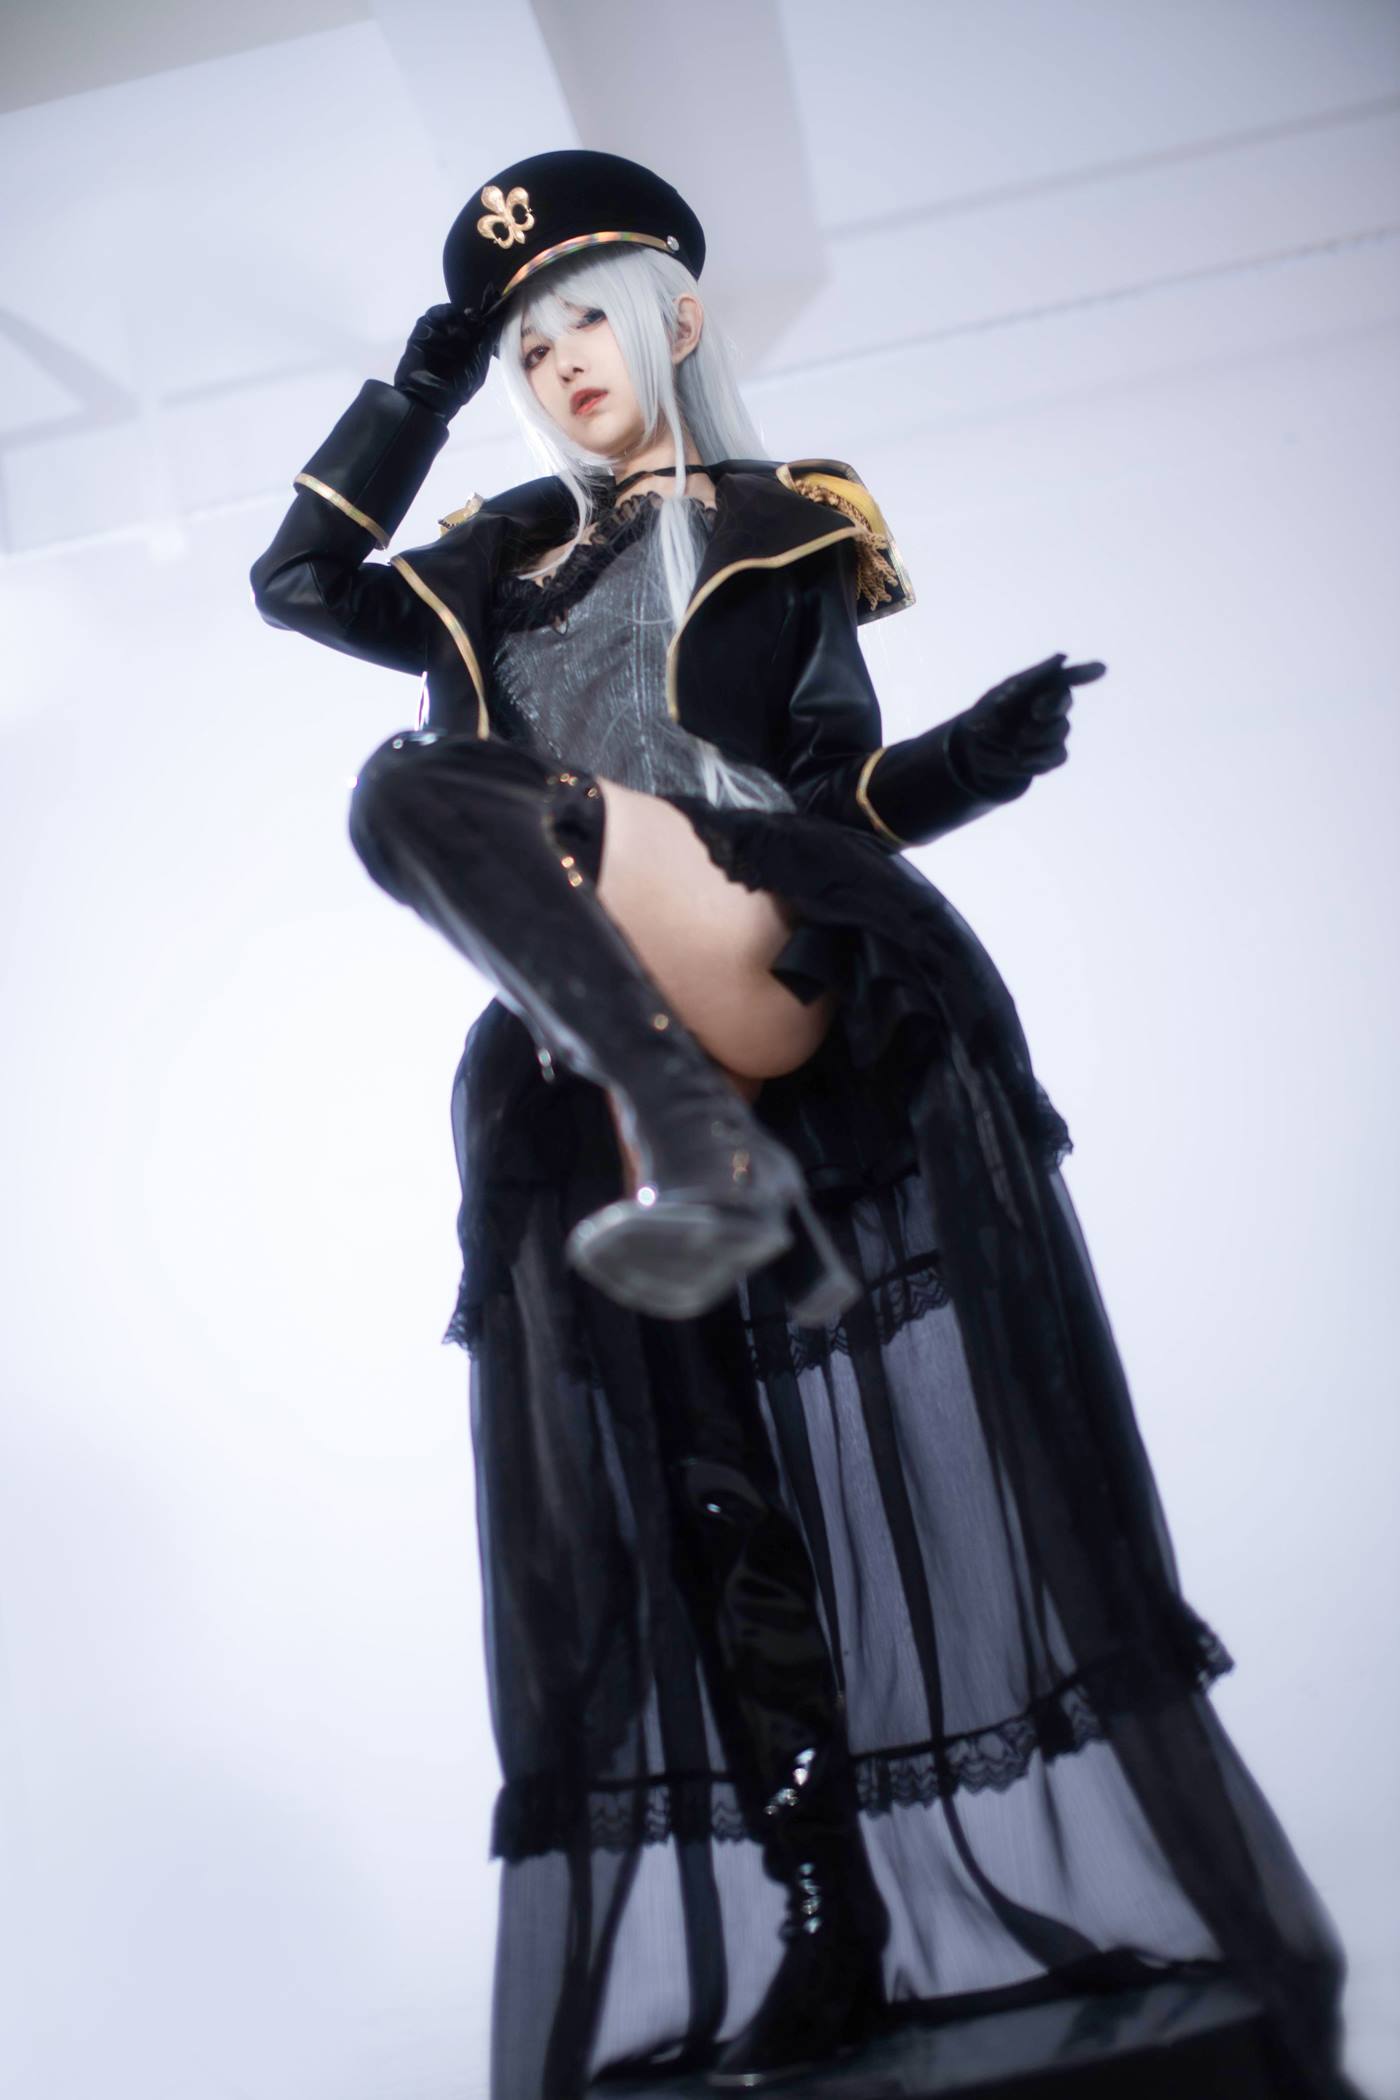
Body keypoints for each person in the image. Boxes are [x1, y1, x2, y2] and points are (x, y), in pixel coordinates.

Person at [250, 151, 1357, 2100]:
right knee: (704, 1491)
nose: (556, 361)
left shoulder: (782, 525)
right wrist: (418, 372)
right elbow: (299, 584)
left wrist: (973, 763)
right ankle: (823, 1916)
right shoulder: (493, 559)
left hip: (753, 939)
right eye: (521, 346)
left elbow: (832, 798)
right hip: (592, 1033)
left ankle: (704, 1132)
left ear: (675, 317)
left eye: (583, 317)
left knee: (424, 799)